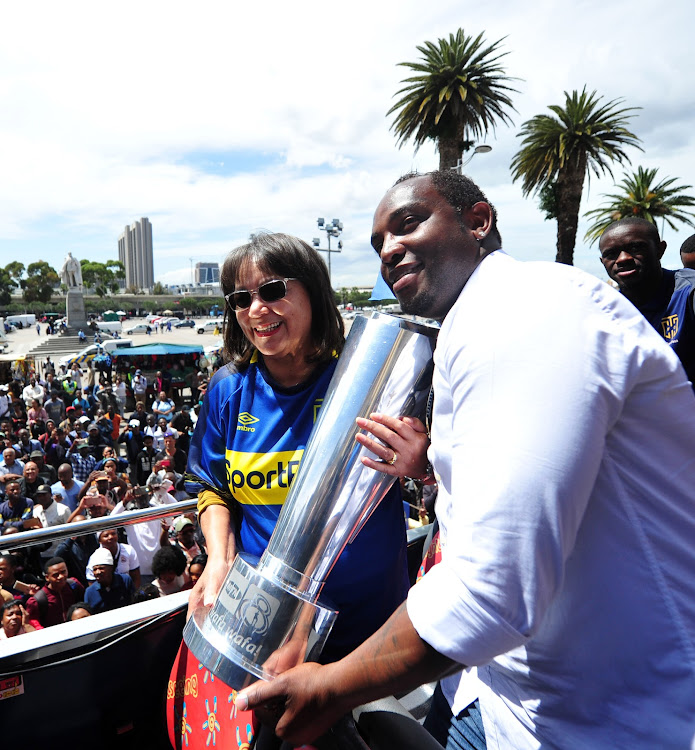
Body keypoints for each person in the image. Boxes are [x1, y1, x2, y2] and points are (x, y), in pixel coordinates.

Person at [236, 171, 695, 750]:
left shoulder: (526, 312)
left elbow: (492, 590)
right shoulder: (474, 325)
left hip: (612, 720)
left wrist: (330, 687)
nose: (389, 249)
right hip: (502, 691)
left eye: (408, 223)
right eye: (378, 242)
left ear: (479, 221)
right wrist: (430, 466)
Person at [187, 232, 409, 663]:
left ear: (314, 291)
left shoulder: (366, 380)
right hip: (267, 620)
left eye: (272, 291)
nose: (256, 310)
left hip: (371, 615)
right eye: (240, 298)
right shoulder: (228, 389)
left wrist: (417, 460)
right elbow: (212, 487)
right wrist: (218, 559)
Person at [599, 217, 695, 387]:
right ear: (602, 262)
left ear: (660, 249)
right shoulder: (603, 313)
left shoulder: (688, 291)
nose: (622, 259)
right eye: (611, 254)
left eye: (635, 247)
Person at [25, 557, 85, 628]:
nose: (61, 577)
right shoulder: (38, 600)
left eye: (63, 572)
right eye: (56, 575)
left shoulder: (74, 585)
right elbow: (32, 621)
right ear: (47, 577)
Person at [84, 548, 134, 613]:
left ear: (111, 568)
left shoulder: (125, 581)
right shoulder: (89, 592)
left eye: (101, 568)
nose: (97, 572)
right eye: (95, 569)